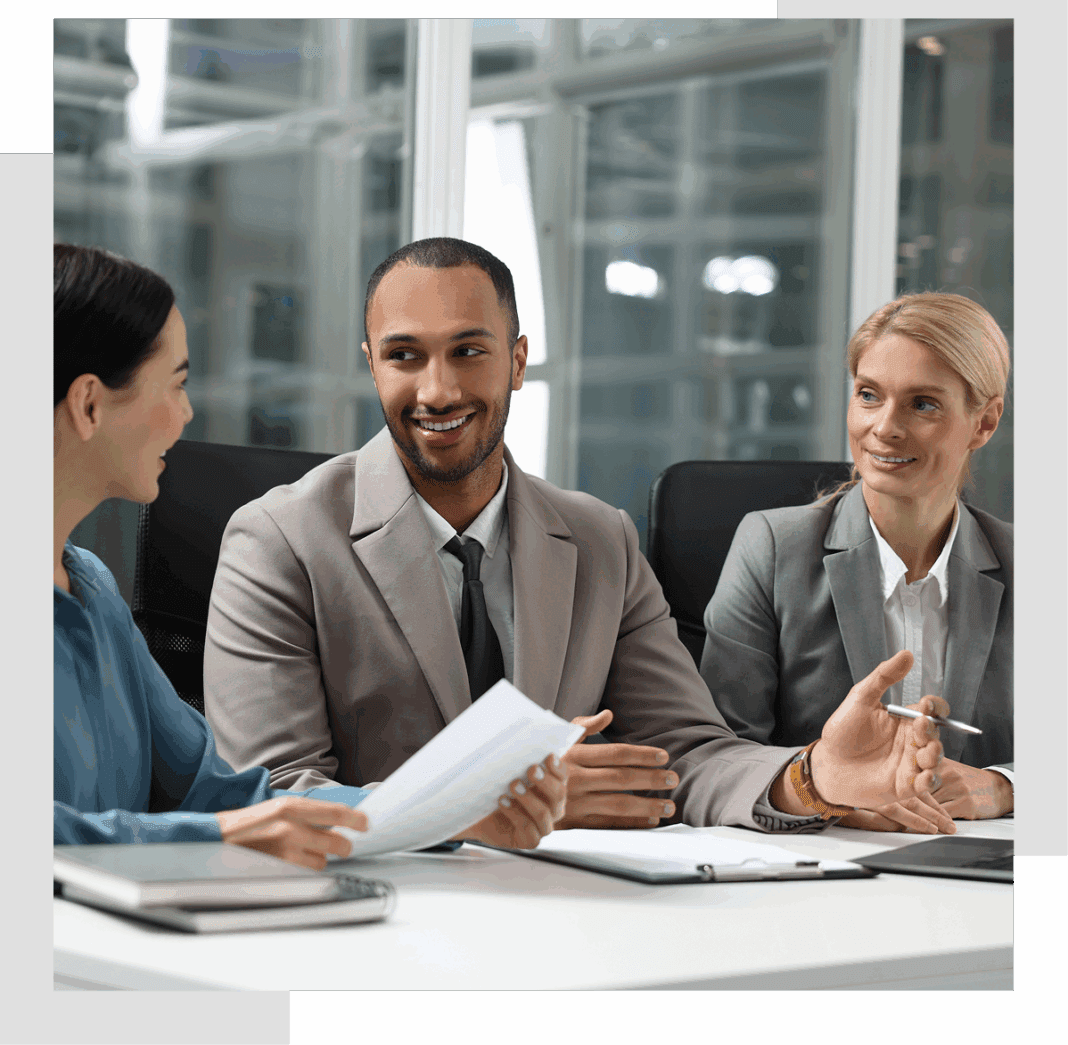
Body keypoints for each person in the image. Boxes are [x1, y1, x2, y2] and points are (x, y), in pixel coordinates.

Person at [203, 237, 956, 835]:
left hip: (564, 922)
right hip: (371, 923)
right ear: (371, 365)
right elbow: (272, 796)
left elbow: (686, 753)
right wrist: (500, 802)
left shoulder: (600, 539)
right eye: (405, 356)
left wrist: (813, 776)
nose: (437, 390)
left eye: (469, 350)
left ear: (519, 361)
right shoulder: (279, 540)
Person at [53, 244, 565, 867]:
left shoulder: (92, 591)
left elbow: (219, 793)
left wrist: (449, 808)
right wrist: (214, 838)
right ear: (88, 405)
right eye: (177, 384)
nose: (187, 415)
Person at [701, 292, 1012, 827]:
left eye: (922, 404)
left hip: (984, 880)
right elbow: (713, 757)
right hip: (821, 872)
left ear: (983, 423)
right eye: (869, 395)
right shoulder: (772, 549)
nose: (885, 427)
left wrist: (1006, 787)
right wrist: (823, 790)